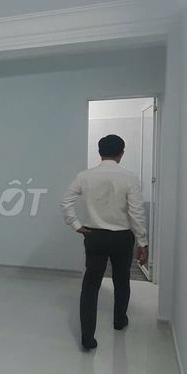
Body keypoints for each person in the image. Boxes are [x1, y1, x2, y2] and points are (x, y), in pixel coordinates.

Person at [61, 134, 148, 350]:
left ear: (100, 152)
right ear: (121, 153)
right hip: (122, 238)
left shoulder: (85, 176)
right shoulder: (130, 178)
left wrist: (76, 224)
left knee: (90, 285)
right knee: (122, 279)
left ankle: (87, 337)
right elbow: (136, 213)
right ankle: (119, 320)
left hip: (94, 236)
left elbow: (66, 202)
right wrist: (142, 242)